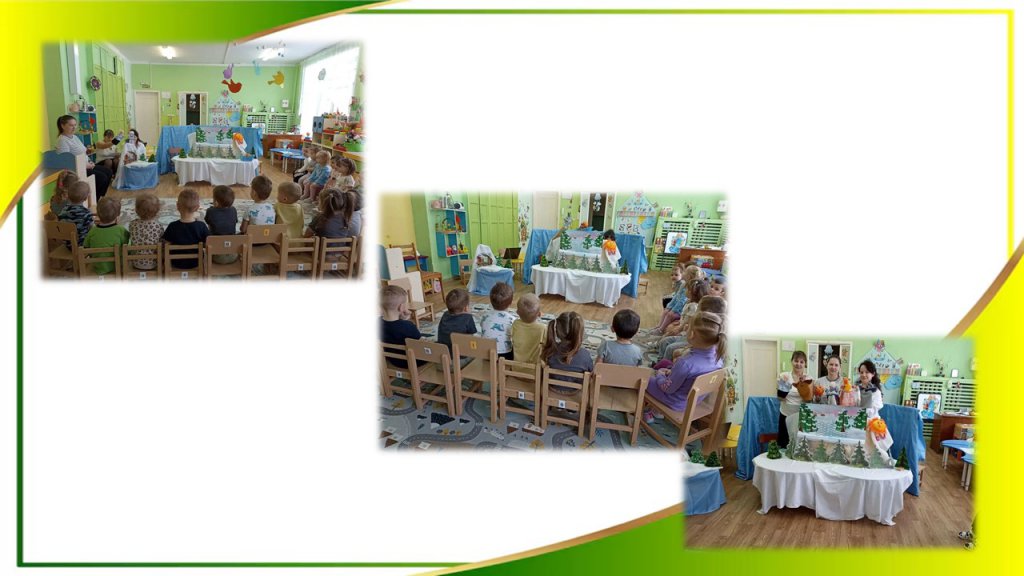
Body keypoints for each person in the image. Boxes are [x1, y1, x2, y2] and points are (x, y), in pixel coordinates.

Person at [644, 311, 726, 420]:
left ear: (691, 334)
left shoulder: (686, 363)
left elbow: (667, 388)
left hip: (673, 402)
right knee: (666, 365)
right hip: (693, 401)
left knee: (642, 377)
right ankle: (655, 410)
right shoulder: (719, 360)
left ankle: (651, 410)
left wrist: (660, 375)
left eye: (688, 326)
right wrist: (671, 372)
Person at [55, 114, 111, 199]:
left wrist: (89, 161)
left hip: (86, 165)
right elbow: (65, 161)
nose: (74, 128)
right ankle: (94, 199)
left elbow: (83, 152)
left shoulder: (75, 137)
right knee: (102, 178)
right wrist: (84, 165)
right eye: (71, 125)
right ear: (63, 126)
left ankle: (99, 197)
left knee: (108, 172)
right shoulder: (62, 140)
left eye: (75, 125)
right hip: (76, 169)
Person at [540, 311, 593, 394]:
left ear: (558, 331)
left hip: (552, 389)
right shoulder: (585, 355)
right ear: (579, 333)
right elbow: (591, 373)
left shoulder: (549, 351)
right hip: (574, 392)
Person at [162, 188, 209, 270]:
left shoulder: (172, 226)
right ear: (197, 207)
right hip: (196, 262)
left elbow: (166, 244)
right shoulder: (201, 226)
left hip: (176, 262)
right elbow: (207, 244)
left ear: (177, 206)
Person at [82, 197, 129, 275]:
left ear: (98, 214)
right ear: (117, 215)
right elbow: (127, 246)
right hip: (116, 266)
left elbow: (86, 246)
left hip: (97, 266)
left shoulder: (92, 231)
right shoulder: (121, 230)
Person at [380, 284, 421, 369]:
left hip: (391, 360)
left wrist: (403, 320)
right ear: (401, 307)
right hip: (410, 362)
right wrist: (406, 321)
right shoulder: (408, 326)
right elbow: (419, 342)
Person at [776, 350, 811, 448]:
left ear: (805, 364)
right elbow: (780, 398)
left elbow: (808, 400)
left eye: (801, 362)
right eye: (796, 361)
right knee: (784, 444)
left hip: (801, 417)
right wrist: (784, 385)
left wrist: (803, 387)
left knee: (800, 445)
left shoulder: (808, 378)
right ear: (791, 361)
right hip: (785, 415)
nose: (798, 364)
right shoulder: (784, 376)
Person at [480, 282, 516, 361]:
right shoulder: (512, 319)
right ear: (510, 303)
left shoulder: (484, 316)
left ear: (491, 301)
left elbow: (482, 326)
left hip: (486, 354)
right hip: (505, 356)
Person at [128, 193, 164, 271]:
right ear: (157, 211)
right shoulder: (158, 226)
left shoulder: (132, 224)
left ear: (136, 210)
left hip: (136, 262)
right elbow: (161, 241)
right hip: (153, 263)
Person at [205, 185, 240, 264]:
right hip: (233, 254)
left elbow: (208, 223)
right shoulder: (233, 210)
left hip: (215, 255)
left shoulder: (210, 211)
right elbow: (235, 222)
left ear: (216, 202)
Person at [436, 288, 477, 352]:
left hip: (444, 351)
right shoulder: (468, 317)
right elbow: (472, 334)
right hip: (461, 354)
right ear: (466, 308)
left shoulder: (445, 314)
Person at [510, 293, 545, 365]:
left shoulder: (515, 324)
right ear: (539, 314)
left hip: (516, 367)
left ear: (517, 312)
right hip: (535, 369)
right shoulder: (543, 328)